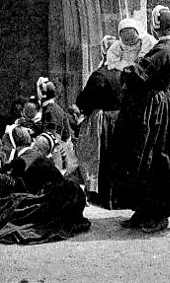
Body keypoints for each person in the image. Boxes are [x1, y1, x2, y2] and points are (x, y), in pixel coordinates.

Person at [114, 5, 170, 233]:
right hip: (158, 104)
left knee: (155, 159)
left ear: (155, 26)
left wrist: (124, 71)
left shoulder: (163, 48)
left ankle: (158, 215)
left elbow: (139, 74)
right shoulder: (168, 45)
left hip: (156, 109)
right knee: (147, 159)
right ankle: (143, 211)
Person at [74, 35, 123, 209]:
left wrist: (82, 110)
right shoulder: (124, 72)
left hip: (101, 120)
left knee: (100, 157)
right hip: (121, 119)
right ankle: (117, 198)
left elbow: (85, 100)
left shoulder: (99, 76)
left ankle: (100, 197)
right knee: (116, 157)